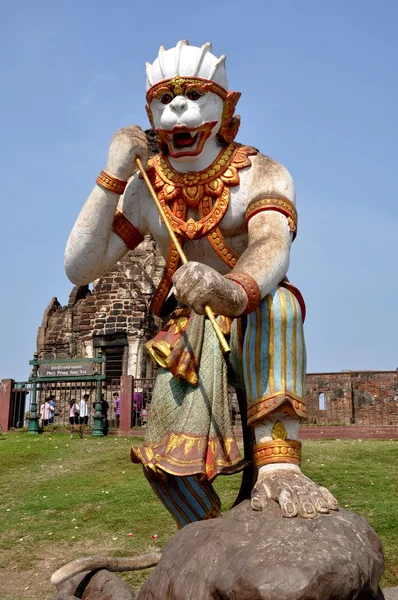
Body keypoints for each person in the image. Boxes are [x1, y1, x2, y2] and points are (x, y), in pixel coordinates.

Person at [65, 40, 338, 526]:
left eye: (192, 95)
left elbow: (272, 243)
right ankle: (201, 532)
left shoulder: (260, 173)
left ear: (226, 106)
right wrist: (113, 171)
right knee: (177, 468)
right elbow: (80, 268)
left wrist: (229, 291)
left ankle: (278, 465)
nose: (176, 112)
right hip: (188, 328)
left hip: (249, 310)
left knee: (281, 306)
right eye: (163, 100)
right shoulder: (147, 189)